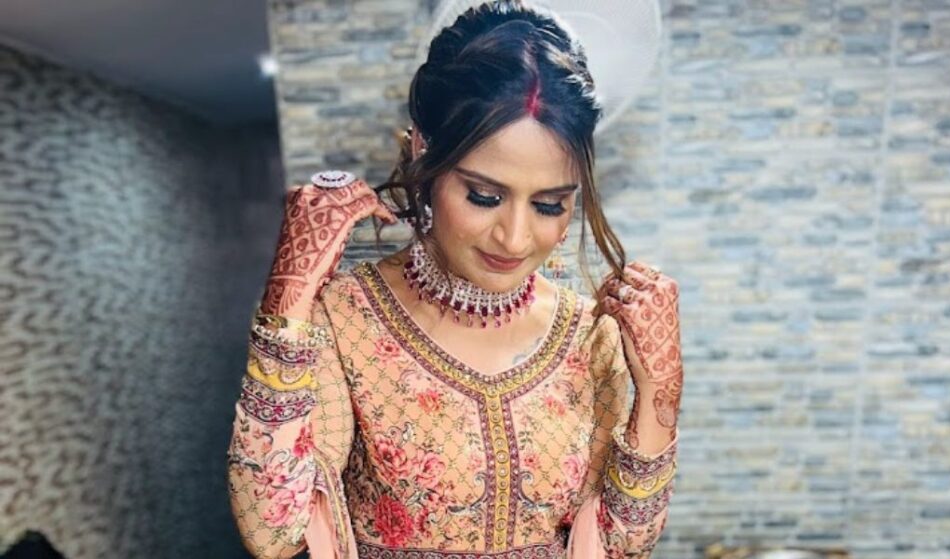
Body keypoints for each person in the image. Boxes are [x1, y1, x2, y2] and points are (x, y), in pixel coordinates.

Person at [226, 1, 685, 557]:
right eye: (484, 196)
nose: (514, 239)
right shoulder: (344, 318)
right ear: (424, 150)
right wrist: (289, 294)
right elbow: (272, 534)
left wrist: (660, 392)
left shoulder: (589, 333)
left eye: (548, 205)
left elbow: (623, 544)